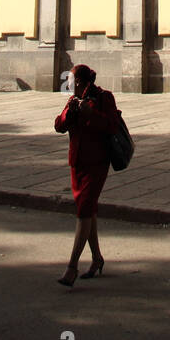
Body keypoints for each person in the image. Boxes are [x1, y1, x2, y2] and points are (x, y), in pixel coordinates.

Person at [54, 64, 119, 284]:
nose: (68, 84)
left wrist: (92, 114)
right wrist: (69, 112)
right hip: (77, 162)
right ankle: (97, 258)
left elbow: (112, 125)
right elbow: (59, 126)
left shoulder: (104, 98)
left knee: (83, 211)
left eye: (71, 80)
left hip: (97, 163)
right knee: (88, 210)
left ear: (80, 82)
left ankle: (72, 266)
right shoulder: (72, 100)